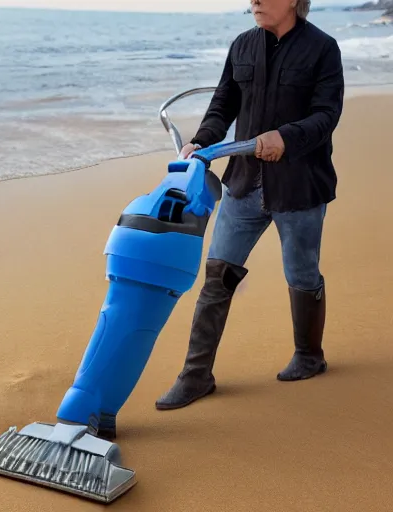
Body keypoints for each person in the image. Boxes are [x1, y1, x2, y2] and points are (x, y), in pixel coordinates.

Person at [155, 0, 345, 411]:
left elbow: (327, 114)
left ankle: (309, 356)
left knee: (302, 274)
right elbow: (223, 105)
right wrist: (201, 141)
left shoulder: (323, 48)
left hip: (299, 188)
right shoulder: (241, 45)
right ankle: (196, 375)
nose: (254, 1)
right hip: (243, 185)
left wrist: (286, 137)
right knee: (217, 275)